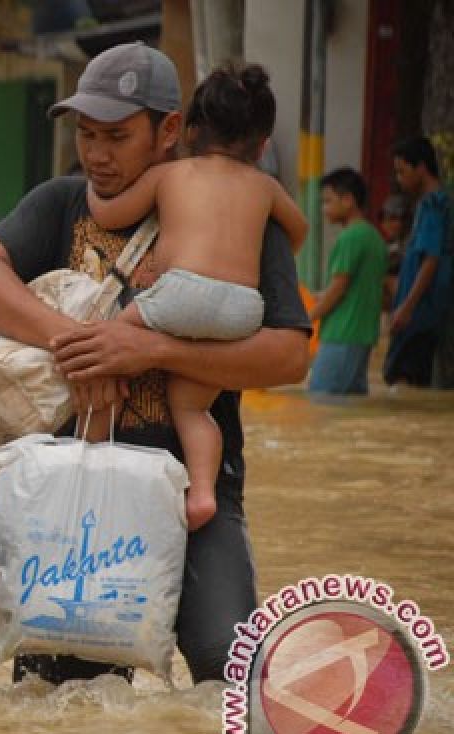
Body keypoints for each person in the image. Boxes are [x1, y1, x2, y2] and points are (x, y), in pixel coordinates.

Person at [0, 42, 311, 687]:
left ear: (170, 130)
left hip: (196, 494)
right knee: (58, 698)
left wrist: (152, 349)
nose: (97, 155)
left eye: (116, 135)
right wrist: (79, 344)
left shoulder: (244, 208)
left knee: (230, 672)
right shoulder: (61, 203)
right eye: (86, 134)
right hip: (77, 491)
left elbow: (289, 355)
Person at [85, 63, 307, 530]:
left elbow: (110, 215)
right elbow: (298, 230)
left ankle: (94, 446)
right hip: (244, 310)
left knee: (109, 345)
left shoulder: (173, 175)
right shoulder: (266, 187)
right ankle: (203, 494)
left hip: (179, 293)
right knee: (193, 407)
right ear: (262, 145)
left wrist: (91, 192)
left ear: (187, 131)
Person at [307, 168, 389, 395]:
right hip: (363, 337)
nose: (324, 209)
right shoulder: (374, 237)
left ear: (348, 200)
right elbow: (357, 287)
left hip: (341, 334)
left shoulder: (350, 237)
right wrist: (321, 296)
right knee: (350, 409)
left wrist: (306, 319)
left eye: (328, 201)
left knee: (321, 401)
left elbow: (339, 289)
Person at [384, 136, 452, 388]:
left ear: (421, 167)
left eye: (402, 171)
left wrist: (407, 307)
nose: (399, 180)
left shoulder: (434, 205)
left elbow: (431, 259)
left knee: (404, 376)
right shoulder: (431, 204)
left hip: (421, 312)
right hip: (421, 308)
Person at [379, 193, 410, 311]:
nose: (388, 225)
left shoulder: (411, 242)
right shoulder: (390, 243)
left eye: (393, 219)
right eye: (385, 220)